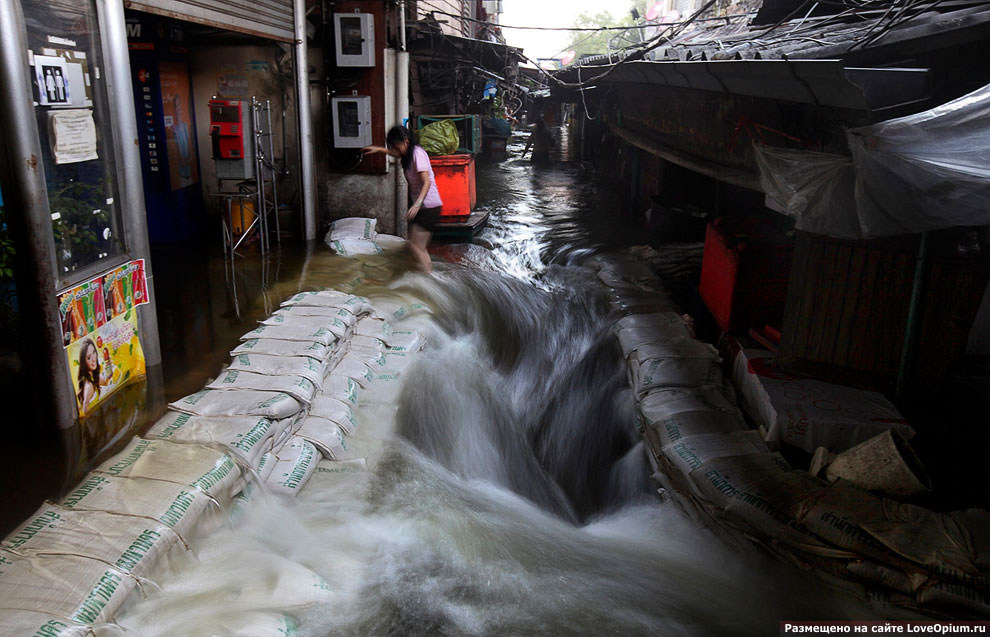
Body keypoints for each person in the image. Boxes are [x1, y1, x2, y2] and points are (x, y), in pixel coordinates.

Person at [362, 126, 443, 273]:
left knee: (415, 246)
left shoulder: (417, 153)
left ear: (406, 141)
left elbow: (427, 182)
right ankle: (428, 274)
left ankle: (431, 277)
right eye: (392, 147)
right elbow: (396, 153)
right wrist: (379, 150)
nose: (395, 150)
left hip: (429, 206)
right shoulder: (407, 154)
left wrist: (417, 204)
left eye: (396, 146)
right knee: (416, 246)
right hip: (423, 207)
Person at [77, 338, 100, 415]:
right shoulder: (89, 385)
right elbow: (85, 409)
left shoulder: (93, 377)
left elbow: (105, 381)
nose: (94, 359)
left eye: (94, 352)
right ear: (84, 362)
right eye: (89, 358)